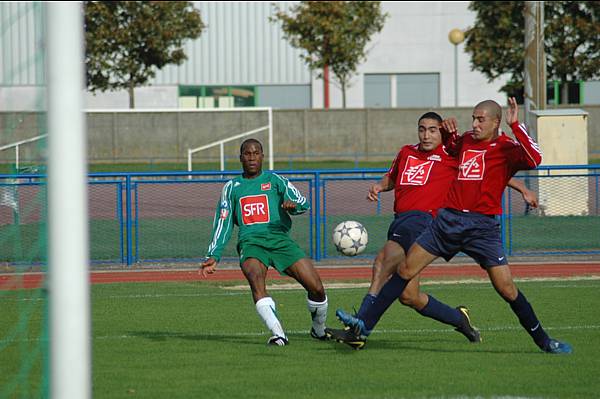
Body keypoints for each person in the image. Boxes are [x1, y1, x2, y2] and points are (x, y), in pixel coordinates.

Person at [335, 98, 572, 354]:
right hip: (447, 221)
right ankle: (364, 327)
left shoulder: (506, 148)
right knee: (404, 270)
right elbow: (452, 147)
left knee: (507, 289)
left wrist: (516, 126)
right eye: (473, 118)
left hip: (482, 228)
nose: (475, 123)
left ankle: (544, 341)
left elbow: (535, 159)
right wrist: (451, 134)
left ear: (496, 121)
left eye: (481, 119)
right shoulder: (466, 141)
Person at [199, 138, 329, 346]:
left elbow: (304, 204)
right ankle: (278, 334)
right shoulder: (232, 187)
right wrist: (213, 255)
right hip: (251, 243)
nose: (252, 157)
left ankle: (318, 330)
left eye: (256, 153)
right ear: (240, 157)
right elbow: (223, 222)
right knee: (255, 278)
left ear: (262, 156)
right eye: (247, 153)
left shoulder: (276, 180)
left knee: (317, 288)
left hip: (280, 240)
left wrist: (292, 206)